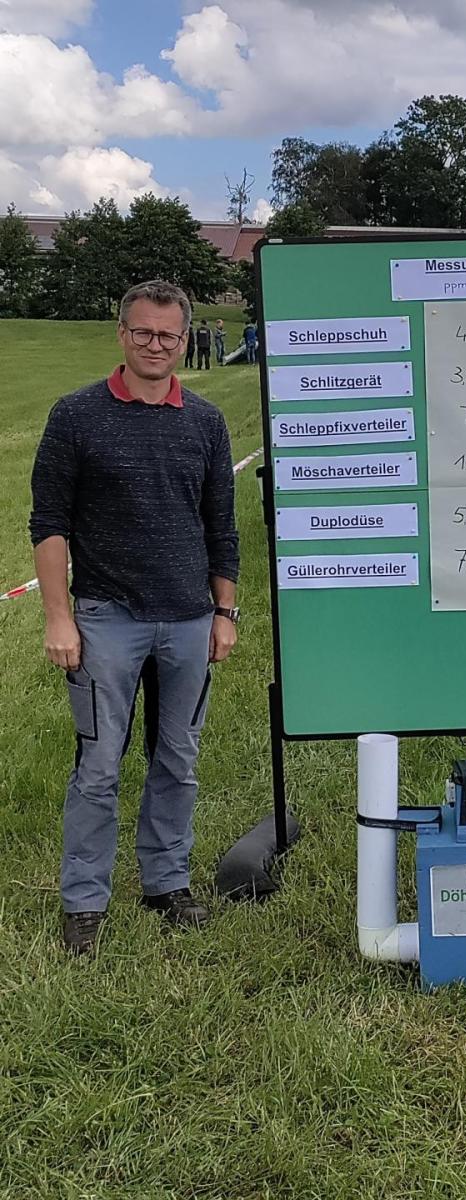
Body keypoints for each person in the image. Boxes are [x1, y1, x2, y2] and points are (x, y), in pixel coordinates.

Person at [29, 279, 240, 956]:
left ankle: (166, 884)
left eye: (168, 335)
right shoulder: (76, 416)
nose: (156, 345)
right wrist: (59, 620)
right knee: (98, 765)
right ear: (121, 334)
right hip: (105, 621)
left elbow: (221, 527)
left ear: (185, 340)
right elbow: (50, 525)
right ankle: (84, 903)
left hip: (187, 620)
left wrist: (225, 610)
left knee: (177, 761)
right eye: (144, 332)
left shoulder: (205, 421)